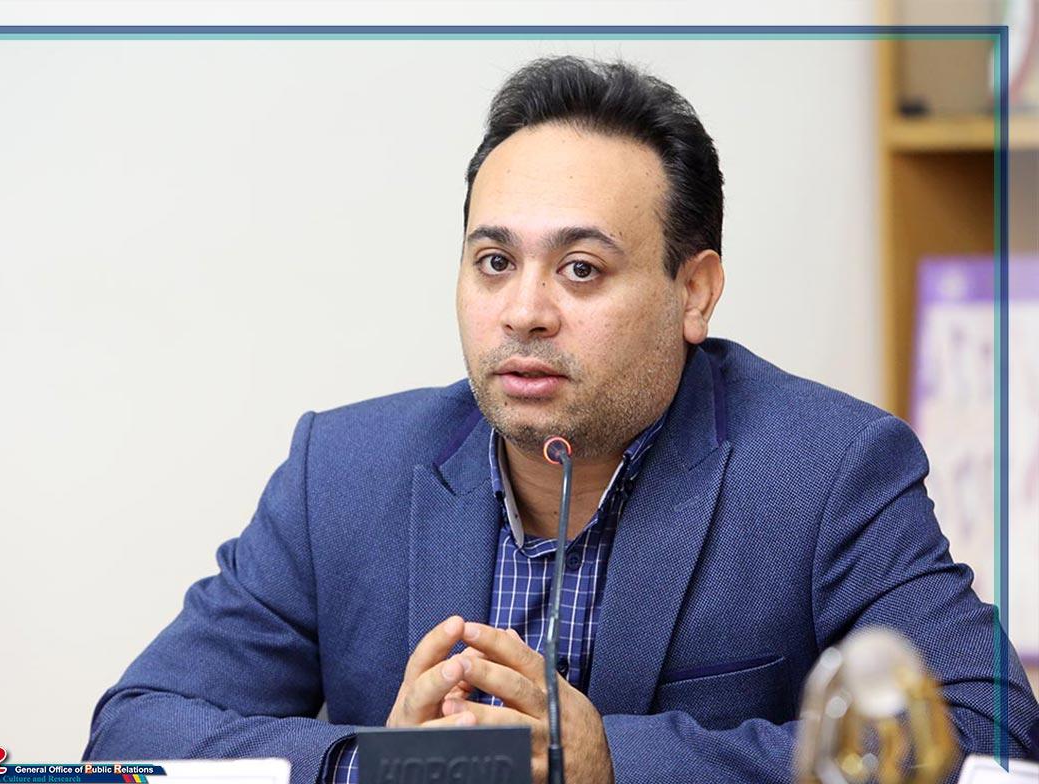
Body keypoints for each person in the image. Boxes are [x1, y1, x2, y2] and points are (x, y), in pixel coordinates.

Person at [83, 56, 1039, 783]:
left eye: (581, 269)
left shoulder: (828, 471)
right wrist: (379, 765)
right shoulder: (341, 472)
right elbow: (136, 732)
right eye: (494, 262)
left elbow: (990, 736)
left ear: (694, 291)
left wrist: (613, 761)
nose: (525, 311)